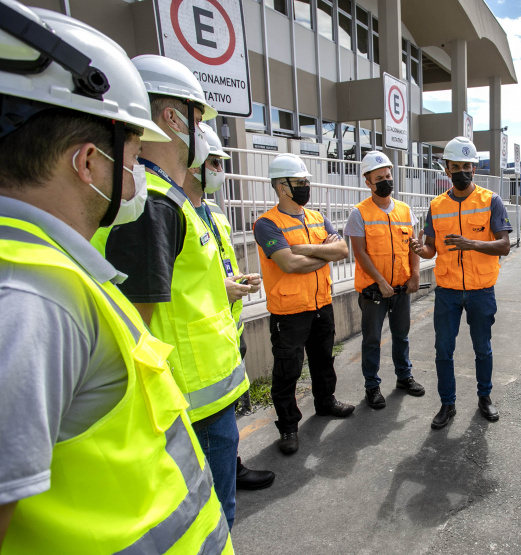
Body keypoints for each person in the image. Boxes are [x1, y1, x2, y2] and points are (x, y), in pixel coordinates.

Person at [0, 2, 231, 551]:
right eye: (131, 151)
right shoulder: (32, 300)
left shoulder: (47, 275)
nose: (137, 170)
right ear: (87, 163)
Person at [101, 55, 250, 529]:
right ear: (172, 117)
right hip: (189, 405)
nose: (202, 131)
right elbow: (136, 322)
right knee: (212, 519)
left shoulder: (168, 198)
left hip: (203, 398)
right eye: (198, 118)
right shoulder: (153, 205)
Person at [189, 122, 276, 490]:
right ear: (193, 162)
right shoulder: (173, 212)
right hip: (202, 339)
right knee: (210, 427)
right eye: (214, 163)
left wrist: (238, 280)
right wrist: (217, 288)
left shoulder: (214, 213)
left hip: (229, 329)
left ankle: (232, 466)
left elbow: (215, 267)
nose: (219, 171)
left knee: (226, 419)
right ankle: (220, 476)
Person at [253, 154, 354, 456]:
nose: (305, 186)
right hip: (289, 311)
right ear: (281, 186)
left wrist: (304, 249)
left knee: (323, 361)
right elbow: (289, 264)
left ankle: (325, 402)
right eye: (299, 182)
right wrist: (323, 253)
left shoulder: (317, 217)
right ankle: (288, 427)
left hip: (321, 304)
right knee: (288, 371)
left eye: (305, 181)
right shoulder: (267, 224)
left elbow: (342, 250)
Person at [410, 136, 513, 430]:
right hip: (448, 292)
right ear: (447, 170)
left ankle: (485, 398)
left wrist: (471, 243)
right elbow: (431, 249)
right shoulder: (436, 206)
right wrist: (420, 250)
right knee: (443, 350)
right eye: (455, 167)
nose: (461, 172)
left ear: (474, 168)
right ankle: (447, 403)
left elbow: (505, 245)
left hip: (481, 290)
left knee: (482, 348)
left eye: (466, 166)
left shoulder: (491, 201)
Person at [344, 151, 425, 410]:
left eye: (388, 176)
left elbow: (413, 246)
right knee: (372, 340)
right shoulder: (359, 213)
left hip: (401, 288)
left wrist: (415, 275)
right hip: (374, 291)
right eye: (379, 178)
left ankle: (404, 376)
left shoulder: (404, 210)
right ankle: (372, 386)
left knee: (402, 335)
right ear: (367, 182)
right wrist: (379, 281)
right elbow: (360, 252)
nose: (385, 181)